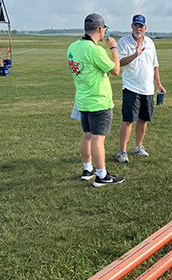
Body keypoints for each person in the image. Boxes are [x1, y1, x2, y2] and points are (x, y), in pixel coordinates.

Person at [67, 13, 124, 187]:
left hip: (83, 100)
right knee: (98, 139)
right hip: (99, 100)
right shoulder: (95, 50)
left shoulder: (73, 47)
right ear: (100, 29)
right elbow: (115, 70)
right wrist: (114, 48)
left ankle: (87, 169)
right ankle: (102, 175)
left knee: (87, 135)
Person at [115, 14, 166, 163]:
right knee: (128, 119)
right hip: (131, 87)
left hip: (148, 88)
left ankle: (138, 147)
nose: (138, 28)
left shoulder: (150, 42)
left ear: (145, 28)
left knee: (143, 119)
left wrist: (159, 83)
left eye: (141, 26)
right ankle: (122, 151)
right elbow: (119, 62)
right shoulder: (124, 42)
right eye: (136, 25)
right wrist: (135, 54)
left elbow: (154, 65)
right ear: (131, 26)